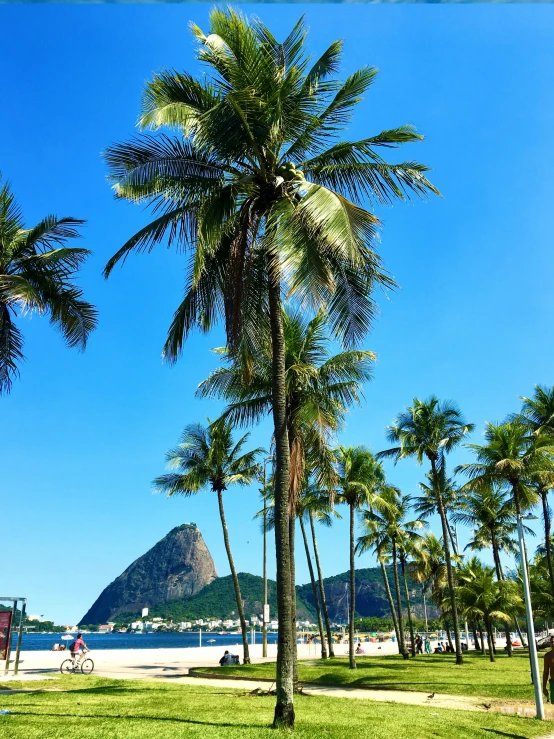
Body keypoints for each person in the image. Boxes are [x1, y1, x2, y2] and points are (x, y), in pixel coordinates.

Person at [542, 635, 554, 703]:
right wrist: (544, 687)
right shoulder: (547, 656)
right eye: (552, 642)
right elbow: (546, 672)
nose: (553, 644)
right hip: (553, 683)